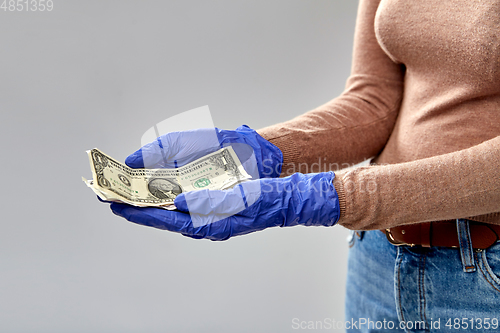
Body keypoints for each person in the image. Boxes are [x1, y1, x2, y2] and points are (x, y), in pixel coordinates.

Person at [108, 0, 500, 332]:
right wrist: (263, 150)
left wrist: (325, 198)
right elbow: (374, 98)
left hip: (489, 279)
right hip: (379, 261)